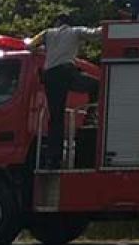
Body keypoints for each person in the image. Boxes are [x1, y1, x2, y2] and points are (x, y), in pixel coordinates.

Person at [28, 15, 101, 168]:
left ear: (57, 23)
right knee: (96, 85)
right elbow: (95, 33)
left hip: (51, 77)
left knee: (56, 117)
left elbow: (30, 45)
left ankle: (53, 158)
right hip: (67, 73)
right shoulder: (75, 31)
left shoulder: (47, 33)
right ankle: (90, 115)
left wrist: (45, 49)